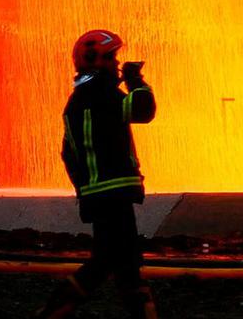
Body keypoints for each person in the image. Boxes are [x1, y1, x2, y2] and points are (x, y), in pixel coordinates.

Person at [37, 30, 158, 319]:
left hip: (99, 193)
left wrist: (84, 188)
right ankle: (52, 312)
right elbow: (143, 110)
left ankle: (55, 310)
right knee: (110, 261)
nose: (117, 63)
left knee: (121, 261)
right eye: (113, 57)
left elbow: (68, 153)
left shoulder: (78, 98)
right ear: (96, 60)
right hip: (113, 192)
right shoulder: (101, 93)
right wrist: (135, 79)